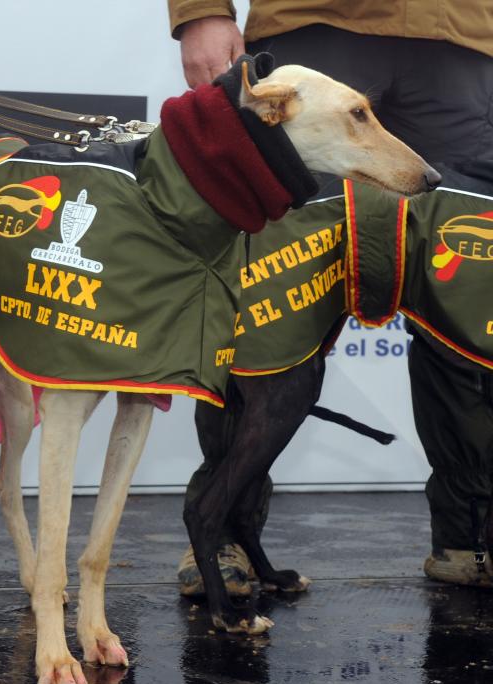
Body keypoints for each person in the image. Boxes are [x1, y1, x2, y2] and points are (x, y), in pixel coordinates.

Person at [168, 0, 493, 593]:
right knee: (263, 306)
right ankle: (220, 540)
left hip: (462, 40)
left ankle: (469, 537)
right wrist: (202, 11)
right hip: (315, 25)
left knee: (468, 300)